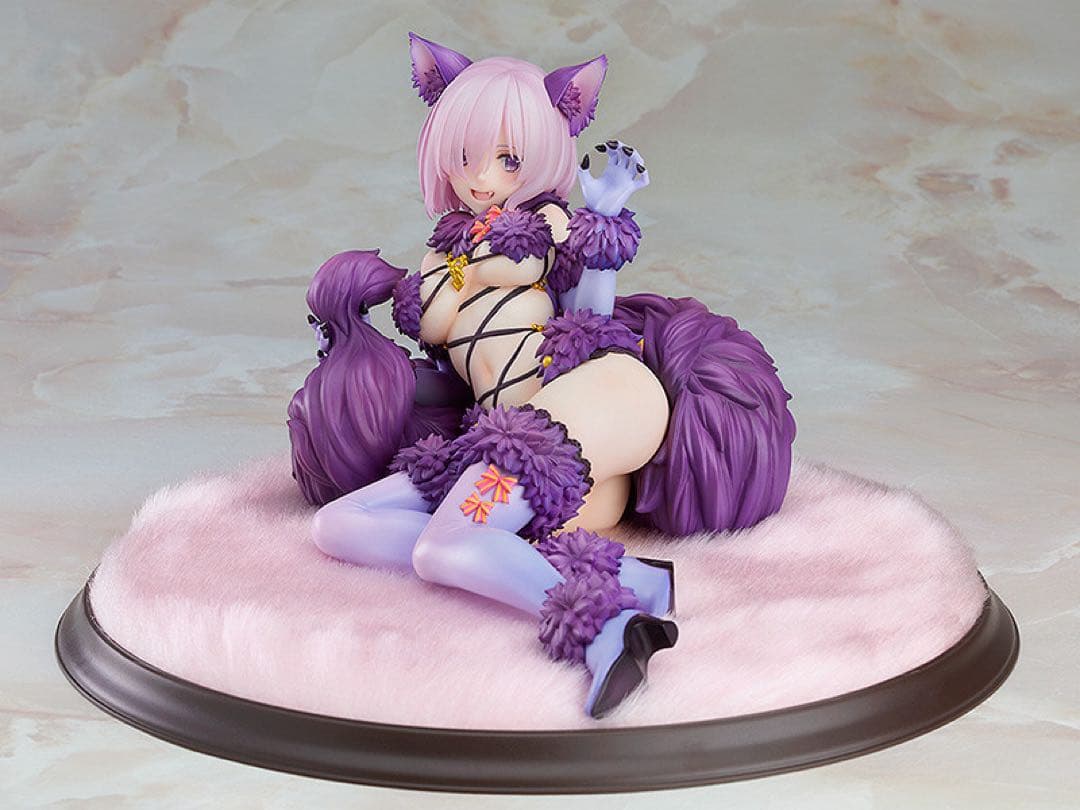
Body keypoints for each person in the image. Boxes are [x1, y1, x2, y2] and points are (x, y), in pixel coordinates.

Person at [287, 34, 797, 718]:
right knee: (340, 525)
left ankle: (607, 627)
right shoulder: (448, 253)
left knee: (443, 547)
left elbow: (590, 317)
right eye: (465, 156)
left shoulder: (547, 229)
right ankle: (637, 581)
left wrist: (604, 213)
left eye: (507, 159)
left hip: (597, 402)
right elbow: (447, 366)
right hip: (510, 447)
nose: (481, 177)